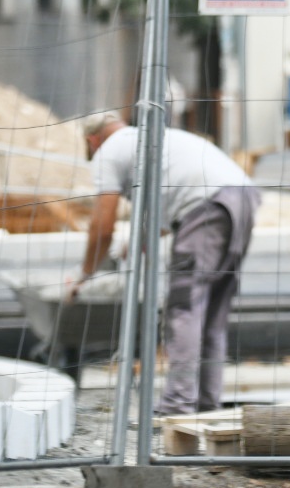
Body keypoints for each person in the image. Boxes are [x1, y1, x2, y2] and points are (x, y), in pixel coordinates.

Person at [77, 112, 261, 416]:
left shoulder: (108, 151)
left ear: (92, 140)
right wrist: (136, 245)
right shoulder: (154, 142)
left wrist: (84, 274)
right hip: (241, 198)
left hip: (206, 207)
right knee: (212, 312)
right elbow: (165, 212)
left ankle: (178, 405)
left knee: (183, 308)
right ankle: (205, 405)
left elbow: (102, 226)